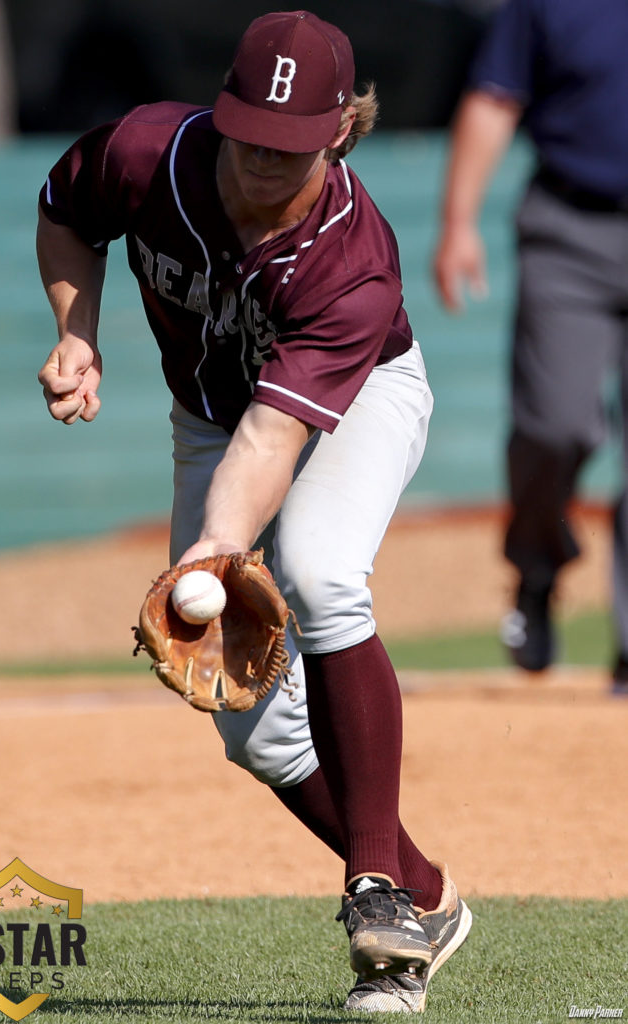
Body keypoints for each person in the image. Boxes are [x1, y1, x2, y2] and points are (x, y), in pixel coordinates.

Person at [37, 10, 471, 1012]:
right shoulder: (145, 154)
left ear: (339, 133)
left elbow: (275, 441)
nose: (258, 165)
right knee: (254, 730)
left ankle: (373, 899)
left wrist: (216, 554)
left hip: (352, 400)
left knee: (317, 569)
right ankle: (425, 896)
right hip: (212, 413)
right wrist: (78, 330)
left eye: (286, 149)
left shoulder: (350, 258)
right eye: (245, 137)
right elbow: (64, 212)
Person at [433, 0, 628, 696]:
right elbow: (492, 97)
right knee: (555, 423)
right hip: (569, 231)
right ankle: (536, 568)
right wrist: (457, 223)